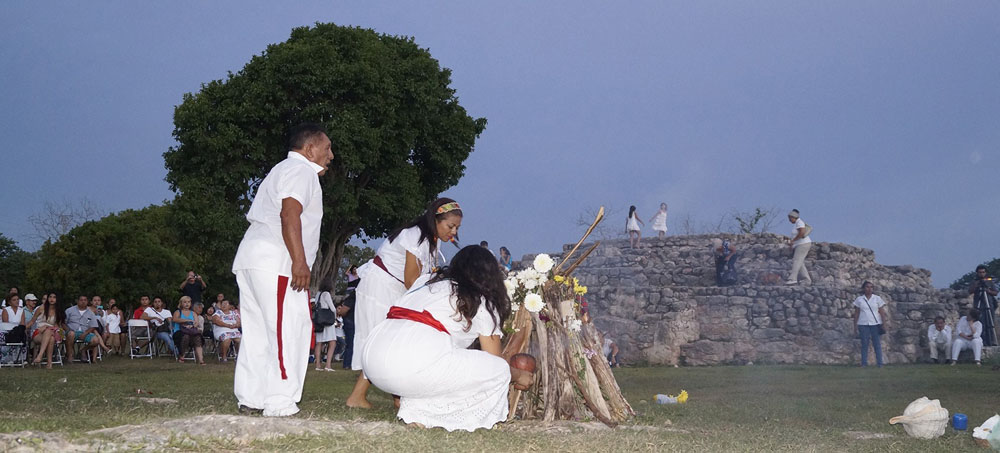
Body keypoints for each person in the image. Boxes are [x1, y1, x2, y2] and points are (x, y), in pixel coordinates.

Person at [361, 245, 531, 431]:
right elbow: (494, 362)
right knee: (498, 370)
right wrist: (519, 375)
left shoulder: (425, 283)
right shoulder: (481, 301)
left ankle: (414, 407)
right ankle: (429, 414)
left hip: (372, 361)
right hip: (408, 366)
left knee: (450, 363)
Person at [231, 122, 334, 417]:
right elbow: (289, 212)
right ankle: (279, 401)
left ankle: (252, 397)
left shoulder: (281, 170)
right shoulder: (300, 171)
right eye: (327, 148)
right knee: (289, 328)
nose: (331, 155)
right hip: (276, 260)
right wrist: (299, 262)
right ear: (310, 149)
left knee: (260, 331)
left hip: (254, 258)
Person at [347, 197, 463, 409]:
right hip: (380, 288)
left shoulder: (430, 241)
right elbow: (412, 280)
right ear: (436, 220)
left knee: (387, 341)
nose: (454, 232)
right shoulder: (416, 236)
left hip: (392, 289)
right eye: (451, 226)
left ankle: (391, 399)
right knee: (382, 341)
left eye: (456, 227)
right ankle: (378, 398)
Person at [852, 281, 889, 367]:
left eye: (871, 287)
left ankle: (880, 363)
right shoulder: (859, 299)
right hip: (863, 324)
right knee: (864, 344)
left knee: (877, 344)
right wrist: (855, 326)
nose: (869, 289)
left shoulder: (877, 299)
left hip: (875, 324)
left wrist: (884, 324)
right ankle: (864, 363)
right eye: (867, 287)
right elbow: (856, 313)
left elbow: (882, 312)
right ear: (864, 288)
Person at [31, 294, 65, 368]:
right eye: (50, 297)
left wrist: (47, 326)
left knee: (50, 335)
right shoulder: (41, 308)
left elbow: (58, 326)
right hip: (38, 332)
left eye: (54, 297)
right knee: (50, 335)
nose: (52, 299)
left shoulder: (58, 311)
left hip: (52, 332)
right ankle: (47, 361)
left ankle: (44, 359)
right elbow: (32, 321)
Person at [65, 295, 101, 363]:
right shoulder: (69, 310)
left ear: (87, 302)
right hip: (72, 331)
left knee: (96, 340)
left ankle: (83, 350)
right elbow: (63, 322)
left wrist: (86, 333)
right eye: (81, 300)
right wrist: (68, 330)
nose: (83, 302)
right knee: (71, 334)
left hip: (85, 332)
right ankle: (70, 355)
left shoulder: (90, 312)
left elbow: (93, 325)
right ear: (78, 301)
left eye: (85, 300)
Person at [969, 265, 998, 346]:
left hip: (989, 304)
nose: (981, 274)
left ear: (986, 272)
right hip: (978, 305)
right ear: (977, 273)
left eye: (983, 272)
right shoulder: (974, 281)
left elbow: (995, 293)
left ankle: (992, 341)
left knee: (990, 322)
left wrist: (988, 290)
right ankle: (981, 341)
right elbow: (970, 291)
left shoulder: (989, 281)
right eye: (980, 272)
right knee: (980, 323)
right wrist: (976, 285)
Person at [313, 279, 338, 371]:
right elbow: (332, 308)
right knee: (332, 342)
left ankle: (318, 364)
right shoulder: (326, 294)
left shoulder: (318, 294)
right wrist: (334, 317)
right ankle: (328, 365)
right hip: (327, 320)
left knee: (319, 343)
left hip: (319, 320)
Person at [172, 296, 205, 365]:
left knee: (198, 338)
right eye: (185, 302)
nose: (187, 304)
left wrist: (192, 325)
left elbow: (196, 323)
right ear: (181, 303)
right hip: (179, 331)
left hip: (191, 330)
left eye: (188, 302)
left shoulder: (193, 313)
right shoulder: (178, 312)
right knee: (185, 337)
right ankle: (182, 356)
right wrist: (186, 320)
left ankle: (201, 359)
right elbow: (175, 319)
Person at [785, 209, 813, 285]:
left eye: (790, 218)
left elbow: (801, 233)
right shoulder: (797, 224)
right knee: (800, 262)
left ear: (793, 217)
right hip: (799, 244)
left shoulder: (800, 222)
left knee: (796, 260)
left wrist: (793, 241)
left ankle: (792, 278)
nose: (789, 220)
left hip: (803, 244)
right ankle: (806, 280)